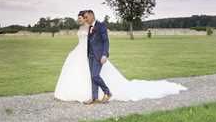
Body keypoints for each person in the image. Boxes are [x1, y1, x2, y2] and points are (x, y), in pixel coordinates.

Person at [54, 10, 187, 104]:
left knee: (95, 76)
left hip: (99, 55)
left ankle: (107, 92)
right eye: (83, 17)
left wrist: (105, 54)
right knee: (92, 77)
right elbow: (88, 42)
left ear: (91, 16)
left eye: (85, 17)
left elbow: (106, 41)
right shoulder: (87, 28)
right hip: (87, 55)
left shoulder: (100, 26)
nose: (83, 19)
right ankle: (94, 98)